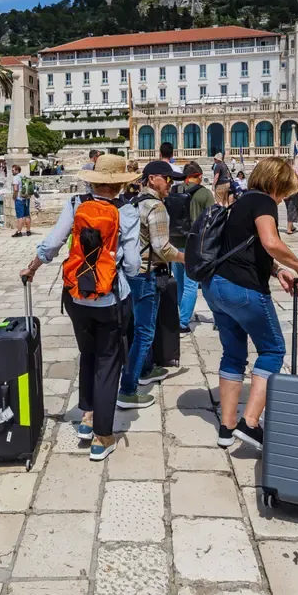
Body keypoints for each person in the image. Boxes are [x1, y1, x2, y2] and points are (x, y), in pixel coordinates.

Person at [20, 155, 139, 460]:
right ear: (119, 184)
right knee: (109, 362)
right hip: (111, 298)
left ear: (93, 179)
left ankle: (86, 418)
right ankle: (102, 436)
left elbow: (53, 243)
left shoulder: (75, 204)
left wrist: (32, 267)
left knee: (87, 353)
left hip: (76, 297)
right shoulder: (126, 210)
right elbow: (135, 266)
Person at [204, 158, 298, 450]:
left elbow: (246, 247)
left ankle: (226, 427)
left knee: (233, 354)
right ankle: (250, 423)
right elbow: (270, 242)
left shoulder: (240, 201)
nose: (283, 200)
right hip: (243, 289)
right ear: (275, 184)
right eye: (284, 192)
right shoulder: (264, 201)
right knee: (272, 350)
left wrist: (277, 270)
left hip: (215, 286)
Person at [118, 160, 185, 409]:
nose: (170, 185)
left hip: (131, 273)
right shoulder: (156, 207)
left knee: (137, 327)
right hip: (148, 274)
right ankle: (128, 389)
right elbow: (162, 247)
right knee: (145, 333)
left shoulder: (132, 203)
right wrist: (186, 258)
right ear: (153, 178)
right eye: (167, 180)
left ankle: (146, 369)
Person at [169, 162, 213, 332]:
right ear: (199, 176)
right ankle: (183, 321)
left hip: (174, 243)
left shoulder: (174, 191)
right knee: (191, 284)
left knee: (179, 282)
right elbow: (212, 220)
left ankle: (181, 314)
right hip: (193, 244)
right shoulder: (205, 194)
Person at [11, 164, 34, 237]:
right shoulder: (24, 177)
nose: (12, 171)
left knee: (20, 216)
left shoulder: (16, 177)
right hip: (26, 198)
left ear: (17, 170)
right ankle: (28, 231)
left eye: (13, 170)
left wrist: (14, 197)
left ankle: (19, 232)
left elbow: (15, 189)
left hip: (19, 198)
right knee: (27, 215)